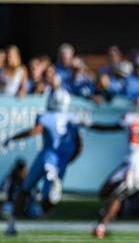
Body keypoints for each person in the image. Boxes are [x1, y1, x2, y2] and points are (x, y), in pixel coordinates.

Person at [2, 89, 82, 235]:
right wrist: (67, 162)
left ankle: (11, 224)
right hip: (62, 161)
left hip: (47, 156)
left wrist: (13, 137)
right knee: (47, 205)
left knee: (25, 190)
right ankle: (52, 187)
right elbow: (79, 148)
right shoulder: (73, 118)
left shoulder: (47, 116)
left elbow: (34, 131)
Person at [88, 95, 139, 238]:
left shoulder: (130, 119)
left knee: (110, 193)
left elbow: (108, 128)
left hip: (132, 164)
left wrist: (89, 124)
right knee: (115, 193)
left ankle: (101, 226)